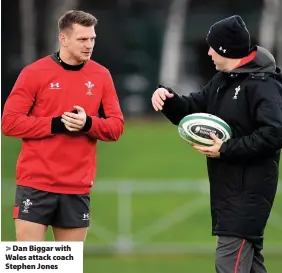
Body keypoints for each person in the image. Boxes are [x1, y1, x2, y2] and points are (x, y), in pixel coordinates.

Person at [152, 15, 282, 273]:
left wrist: (226, 149)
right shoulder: (223, 80)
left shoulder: (263, 85)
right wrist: (167, 99)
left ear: (226, 49)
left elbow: (275, 133)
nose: (209, 52)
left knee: (227, 265)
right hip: (228, 194)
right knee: (250, 266)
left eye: (213, 46)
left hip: (248, 196)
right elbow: (191, 109)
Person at [2, 10, 124, 242]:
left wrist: (88, 123)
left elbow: (116, 127)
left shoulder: (101, 75)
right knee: (29, 264)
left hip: (76, 188)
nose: (89, 45)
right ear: (63, 39)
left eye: (92, 39)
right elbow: (9, 123)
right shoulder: (34, 73)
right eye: (82, 39)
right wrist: (56, 124)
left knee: (67, 266)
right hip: (35, 185)